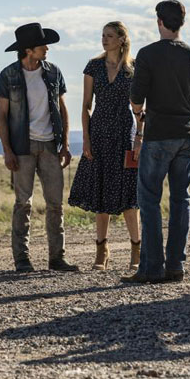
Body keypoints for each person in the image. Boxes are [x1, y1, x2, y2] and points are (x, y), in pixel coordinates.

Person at [121, 0, 190, 284]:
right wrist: (183, 108)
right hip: (186, 134)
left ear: (159, 21)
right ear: (181, 22)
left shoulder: (147, 54)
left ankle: (151, 268)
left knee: (149, 200)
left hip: (158, 135)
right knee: (181, 199)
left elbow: (136, 96)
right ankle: (175, 266)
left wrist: (139, 115)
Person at [0, 22, 79, 273]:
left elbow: (62, 108)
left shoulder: (53, 72)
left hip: (51, 145)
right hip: (22, 146)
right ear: (28, 50)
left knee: (55, 204)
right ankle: (22, 259)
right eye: (43, 45)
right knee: (23, 203)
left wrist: (65, 144)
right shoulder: (8, 75)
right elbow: (2, 116)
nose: (47, 49)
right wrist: (7, 150)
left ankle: (57, 258)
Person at [68, 22, 141, 271]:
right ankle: (102, 250)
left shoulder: (133, 68)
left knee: (129, 195)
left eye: (109, 36)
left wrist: (140, 136)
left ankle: (136, 249)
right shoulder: (94, 66)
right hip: (98, 132)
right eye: (102, 35)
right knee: (101, 194)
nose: (104, 39)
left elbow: (139, 107)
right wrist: (86, 139)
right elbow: (86, 105)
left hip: (125, 134)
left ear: (122, 39)